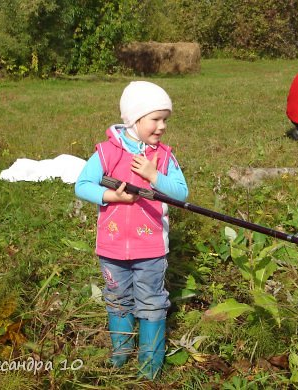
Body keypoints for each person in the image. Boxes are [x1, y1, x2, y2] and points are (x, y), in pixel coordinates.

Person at [75, 81, 188, 380]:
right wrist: (112, 196)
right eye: (156, 118)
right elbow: (82, 185)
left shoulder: (162, 157)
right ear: (134, 119)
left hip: (150, 249)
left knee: (151, 301)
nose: (162, 126)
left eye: (166, 119)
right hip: (111, 248)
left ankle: (150, 366)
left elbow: (181, 193)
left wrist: (154, 176)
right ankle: (121, 355)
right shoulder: (106, 152)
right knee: (117, 299)